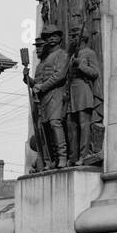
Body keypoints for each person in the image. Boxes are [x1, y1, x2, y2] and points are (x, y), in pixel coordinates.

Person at [31, 28, 69, 168]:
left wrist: (42, 86)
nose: (51, 38)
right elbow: (41, 79)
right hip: (44, 96)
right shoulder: (45, 59)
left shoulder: (62, 54)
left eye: (55, 36)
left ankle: (63, 157)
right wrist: (33, 83)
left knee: (55, 123)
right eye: (48, 36)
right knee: (46, 127)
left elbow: (59, 75)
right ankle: (53, 159)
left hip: (56, 93)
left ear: (60, 38)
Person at [65, 25, 101, 165]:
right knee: (71, 124)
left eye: (75, 36)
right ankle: (72, 157)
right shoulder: (72, 54)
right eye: (71, 37)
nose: (72, 39)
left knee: (83, 123)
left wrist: (81, 65)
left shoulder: (89, 53)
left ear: (82, 38)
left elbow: (95, 72)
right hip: (71, 91)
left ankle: (83, 156)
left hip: (83, 90)